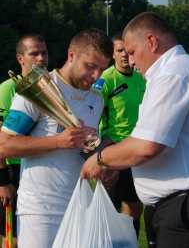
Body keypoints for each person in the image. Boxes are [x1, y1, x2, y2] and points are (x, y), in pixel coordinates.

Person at [80, 12, 189, 248]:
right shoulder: (178, 70)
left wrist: (101, 159)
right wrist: (117, 162)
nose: (132, 61)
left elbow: (147, 146)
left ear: (152, 42)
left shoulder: (174, 73)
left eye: (133, 52)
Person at [0, 28, 118, 248]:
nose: (96, 76)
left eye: (102, 69)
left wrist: (106, 166)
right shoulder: (40, 88)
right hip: (39, 211)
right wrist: (57, 142)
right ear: (71, 55)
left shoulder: (96, 97)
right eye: (91, 66)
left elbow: (86, 146)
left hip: (80, 207)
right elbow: (3, 145)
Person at [93, 30, 145, 238]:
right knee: (111, 209)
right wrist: (100, 154)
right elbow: (93, 117)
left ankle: (129, 241)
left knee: (135, 206)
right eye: (119, 50)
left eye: (127, 50)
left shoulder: (142, 78)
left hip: (138, 152)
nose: (124, 54)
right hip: (113, 151)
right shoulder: (105, 80)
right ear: (112, 54)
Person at [0, 33, 48, 248]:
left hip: (42, 169)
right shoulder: (7, 89)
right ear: (20, 58)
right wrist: (3, 181)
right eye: (34, 54)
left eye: (44, 53)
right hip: (13, 171)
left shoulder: (50, 87)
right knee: (14, 238)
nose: (41, 58)